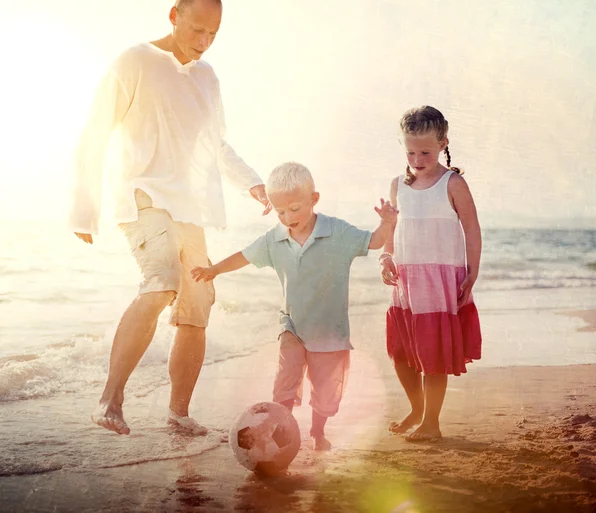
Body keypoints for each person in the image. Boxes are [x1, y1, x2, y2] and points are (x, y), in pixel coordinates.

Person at [69, 0, 270, 436]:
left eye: (213, 35)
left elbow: (217, 144)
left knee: (198, 303)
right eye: (198, 29)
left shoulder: (207, 77)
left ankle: (178, 414)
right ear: (174, 15)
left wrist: (252, 183)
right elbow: (95, 132)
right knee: (161, 281)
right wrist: (84, 208)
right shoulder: (135, 61)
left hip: (190, 206)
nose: (204, 42)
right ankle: (110, 400)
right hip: (142, 195)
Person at [191, 162, 398, 450]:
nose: (288, 217)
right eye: (280, 212)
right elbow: (245, 256)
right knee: (284, 382)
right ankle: (281, 432)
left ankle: (317, 431)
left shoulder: (337, 232)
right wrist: (214, 270)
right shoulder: (274, 239)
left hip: (329, 329)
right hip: (293, 326)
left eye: (295, 208)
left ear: (314, 199)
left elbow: (374, 242)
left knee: (325, 391)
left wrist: (386, 223)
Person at [380, 105, 482, 442]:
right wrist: (386, 258)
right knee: (401, 354)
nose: (417, 158)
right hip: (406, 282)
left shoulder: (452, 183)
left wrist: (472, 273)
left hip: (439, 282)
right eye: (411, 151)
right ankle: (417, 408)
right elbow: (391, 231)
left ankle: (431, 423)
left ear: (443, 144)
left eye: (425, 151)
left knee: (432, 355)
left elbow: (472, 229)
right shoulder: (398, 185)